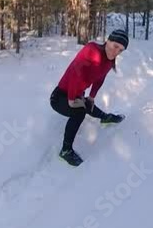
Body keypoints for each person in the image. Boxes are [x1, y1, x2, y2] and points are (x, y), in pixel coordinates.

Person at [49, 28, 127, 166]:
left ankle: (105, 118)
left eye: (120, 50)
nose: (116, 52)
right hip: (59, 97)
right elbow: (75, 72)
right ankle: (65, 151)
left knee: (87, 104)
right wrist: (72, 99)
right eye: (115, 46)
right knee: (79, 112)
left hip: (76, 94)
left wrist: (91, 96)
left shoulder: (109, 61)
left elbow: (99, 78)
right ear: (108, 41)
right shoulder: (92, 49)